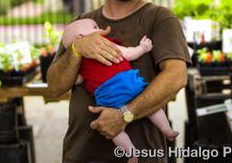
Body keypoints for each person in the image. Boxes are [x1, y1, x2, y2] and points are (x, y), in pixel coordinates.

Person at [47, 0, 191, 163]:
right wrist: (77, 50)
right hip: (81, 156)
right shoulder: (81, 25)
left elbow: (176, 77)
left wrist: (125, 114)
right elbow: (54, 87)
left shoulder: (159, 18)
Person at [61, 18, 179, 163]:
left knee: (116, 131)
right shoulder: (108, 45)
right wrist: (142, 48)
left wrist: (76, 62)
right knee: (151, 109)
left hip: (107, 96)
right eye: (95, 27)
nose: (100, 29)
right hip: (129, 84)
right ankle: (166, 129)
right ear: (80, 37)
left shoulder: (80, 63)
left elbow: (77, 80)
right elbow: (129, 54)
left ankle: (131, 153)